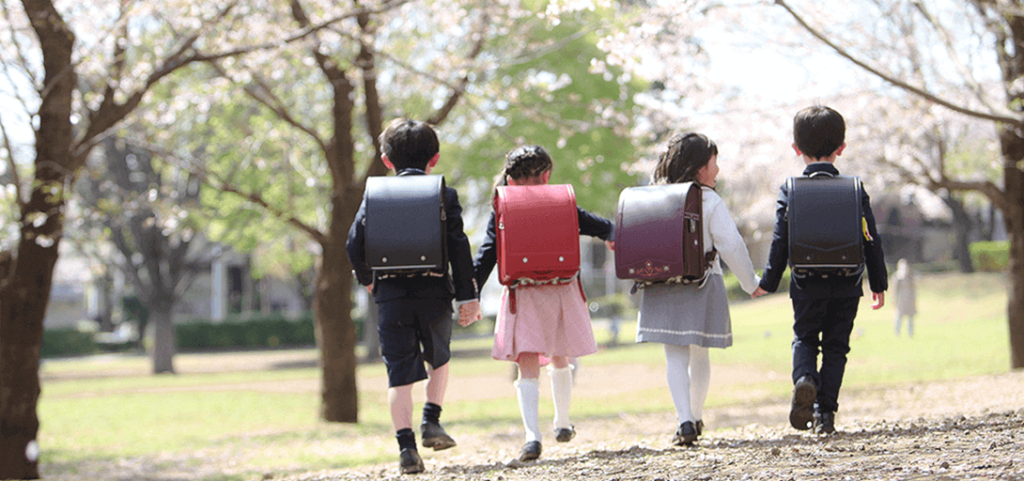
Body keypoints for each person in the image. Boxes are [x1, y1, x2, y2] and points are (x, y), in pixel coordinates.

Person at [346, 118, 482, 474]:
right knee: (440, 357)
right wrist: (468, 295)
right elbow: (458, 247)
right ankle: (431, 421)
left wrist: (367, 279)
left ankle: (406, 448)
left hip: (390, 294)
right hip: (435, 290)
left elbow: (353, 243)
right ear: (434, 159)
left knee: (399, 373)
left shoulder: (375, 194)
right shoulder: (443, 193)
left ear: (387, 160)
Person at [752, 105, 888, 435]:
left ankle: (804, 379)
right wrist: (879, 282)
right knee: (837, 347)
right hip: (847, 282)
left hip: (806, 282)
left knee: (805, 339)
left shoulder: (791, 189)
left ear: (797, 149)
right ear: (841, 148)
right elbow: (870, 237)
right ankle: (826, 413)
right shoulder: (854, 189)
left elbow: (779, 241)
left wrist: (768, 282)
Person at [473, 145, 614, 462]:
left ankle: (532, 437)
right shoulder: (560, 203)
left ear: (510, 179)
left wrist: (469, 291)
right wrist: (613, 234)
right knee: (559, 355)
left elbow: (486, 256)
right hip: (560, 287)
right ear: (548, 175)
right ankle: (561, 422)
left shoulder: (503, 208)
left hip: (524, 291)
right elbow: (598, 225)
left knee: (527, 362)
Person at [634, 133, 761, 446]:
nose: (717, 170)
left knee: (674, 356)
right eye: (713, 162)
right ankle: (696, 413)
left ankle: (684, 421)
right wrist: (751, 283)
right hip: (701, 281)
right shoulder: (708, 199)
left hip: (660, 284)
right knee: (699, 354)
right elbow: (731, 244)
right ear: (699, 166)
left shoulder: (655, 195)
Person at [892, 259, 917, 337]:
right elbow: (895, 290)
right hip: (901, 299)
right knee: (899, 316)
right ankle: (897, 333)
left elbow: (913, 288)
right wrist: (894, 299)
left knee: (910, 317)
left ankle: (910, 333)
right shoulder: (898, 277)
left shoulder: (910, 277)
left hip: (909, 299)